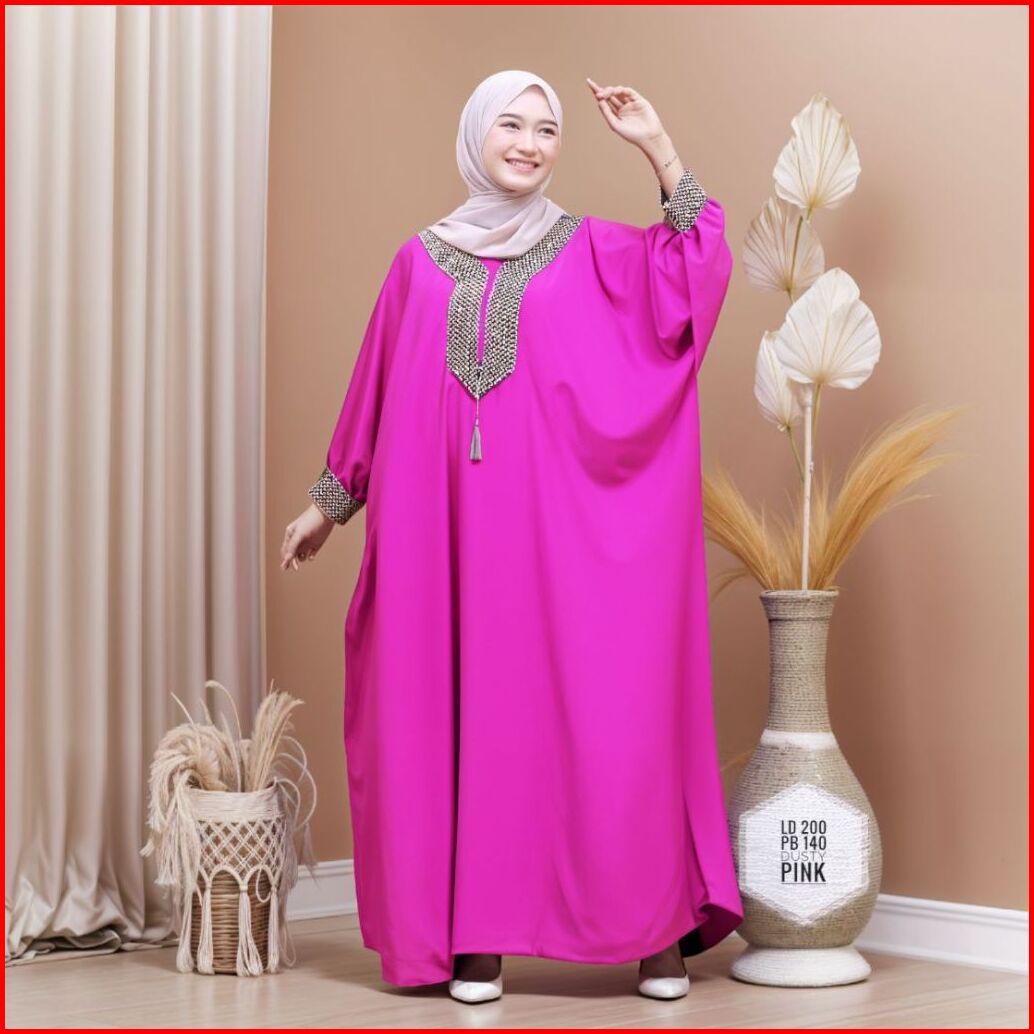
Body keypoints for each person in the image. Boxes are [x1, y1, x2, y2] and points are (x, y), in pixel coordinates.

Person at [280, 69, 742, 1003]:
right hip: (447, 538)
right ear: (475, 135)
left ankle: (651, 932)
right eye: (511, 125)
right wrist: (328, 505)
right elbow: (375, 390)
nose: (529, 144)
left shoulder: (594, 251)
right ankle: (477, 937)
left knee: (610, 712)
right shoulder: (418, 263)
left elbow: (695, 268)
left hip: (564, 532)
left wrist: (657, 146)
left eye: (546, 129)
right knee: (472, 718)